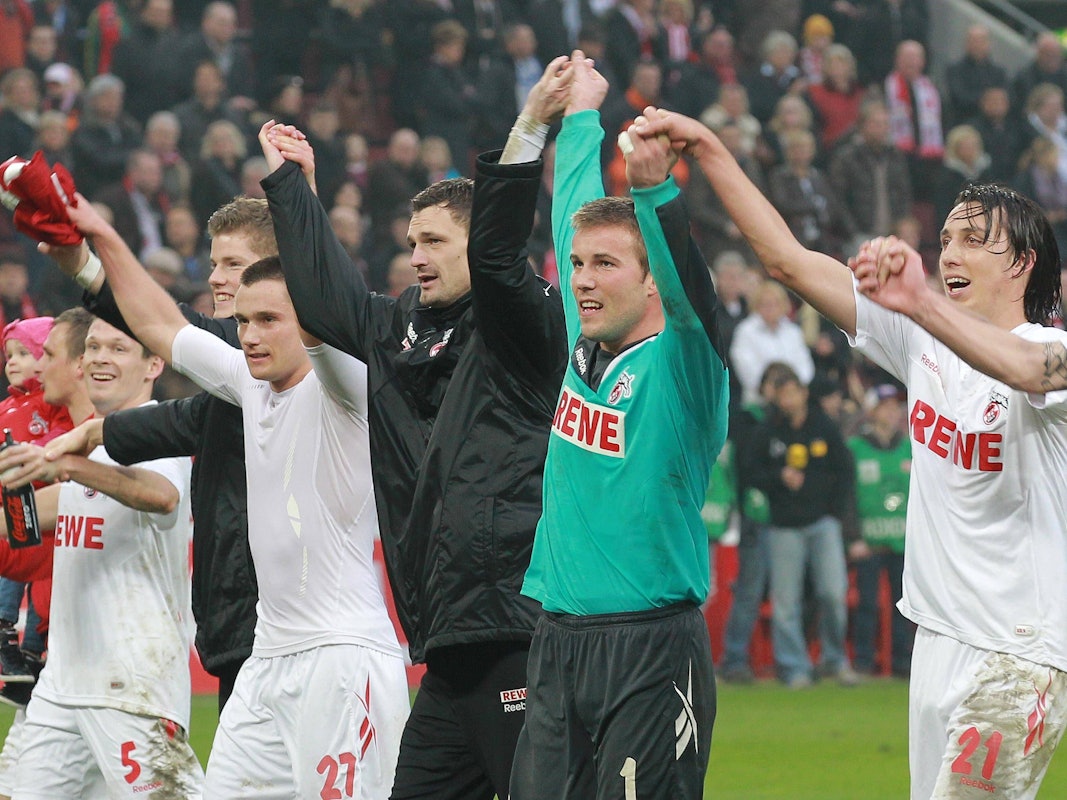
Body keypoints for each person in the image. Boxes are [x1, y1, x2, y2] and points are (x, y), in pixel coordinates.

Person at [635, 105, 1067, 799]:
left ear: (1020, 262)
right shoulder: (922, 342)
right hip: (937, 634)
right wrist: (710, 151)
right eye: (945, 237)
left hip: (1018, 651)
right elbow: (785, 262)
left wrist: (920, 303)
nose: (949, 252)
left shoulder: (1050, 350)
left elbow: (1020, 371)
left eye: (972, 241)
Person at [259, 59, 571, 800]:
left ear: (480, 244)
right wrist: (293, 187)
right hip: (445, 636)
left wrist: (528, 128)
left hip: (514, 627)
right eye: (410, 243)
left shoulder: (523, 329)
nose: (417, 257)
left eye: (434, 241)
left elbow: (501, 259)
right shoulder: (397, 327)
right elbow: (326, 298)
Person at [51, 194, 411, 797]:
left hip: (344, 660)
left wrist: (296, 188)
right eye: (242, 322)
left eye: (268, 320)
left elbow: (329, 299)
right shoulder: (248, 383)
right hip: (265, 662)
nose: (248, 335)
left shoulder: (346, 388)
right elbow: (163, 326)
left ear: (310, 322)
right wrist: (98, 233)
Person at [509, 55, 728, 799]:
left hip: (652, 649)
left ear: (648, 279)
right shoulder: (584, 340)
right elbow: (572, 197)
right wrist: (578, 115)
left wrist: (654, 188)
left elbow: (693, 295)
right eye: (575, 265)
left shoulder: (684, 366)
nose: (581, 280)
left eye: (605, 264)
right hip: (557, 640)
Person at [39, 197, 272, 713]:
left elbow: (165, 325)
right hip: (238, 631)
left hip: (282, 634)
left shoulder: (268, 365)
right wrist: (92, 435)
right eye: (213, 263)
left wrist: (89, 256)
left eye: (233, 265)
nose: (215, 278)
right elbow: (171, 419)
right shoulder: (222, 398)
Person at [0, 315, 202, 798]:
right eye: (92, 347)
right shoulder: (78, 444)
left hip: (131, 687)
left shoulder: (159, 434)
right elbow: (20, 524)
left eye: (118, 348)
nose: (100, 359)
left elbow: (162, 497)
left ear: (154, 363)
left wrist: (68, 465)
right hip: (61, 687)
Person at [0, 307, 95, 800]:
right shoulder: (66, 455)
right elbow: (24, 552)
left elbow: (30, 532)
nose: (33, 367)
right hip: (66, 677)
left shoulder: (131, 442)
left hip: (119, 684)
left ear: (75, 366)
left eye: (46, 355)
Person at [747, 363, 856, 688]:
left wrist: (835, 512)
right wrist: (778, 478)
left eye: (794, 392)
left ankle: (834, 660)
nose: (789, 399)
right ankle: (794, 667)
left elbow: (845, 470)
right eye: (783, 394)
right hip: (784, 526)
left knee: (834, 594)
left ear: (804, 393)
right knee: (785, 602)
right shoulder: (768, 431)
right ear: (777, 398)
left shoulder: (824, 426)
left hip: (822, 523)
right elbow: (750, 472)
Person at [847, 381, 913, 677]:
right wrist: (854, 536)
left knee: (905, 606)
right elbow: (846, 496)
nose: (892, 412)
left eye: (895, 406)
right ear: (871, 411)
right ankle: (863, 661)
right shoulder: (854, 448)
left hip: (903, 541)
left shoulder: (911, 447)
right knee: (867, 604)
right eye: (885, 407)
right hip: (869, 541)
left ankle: (902, 663)